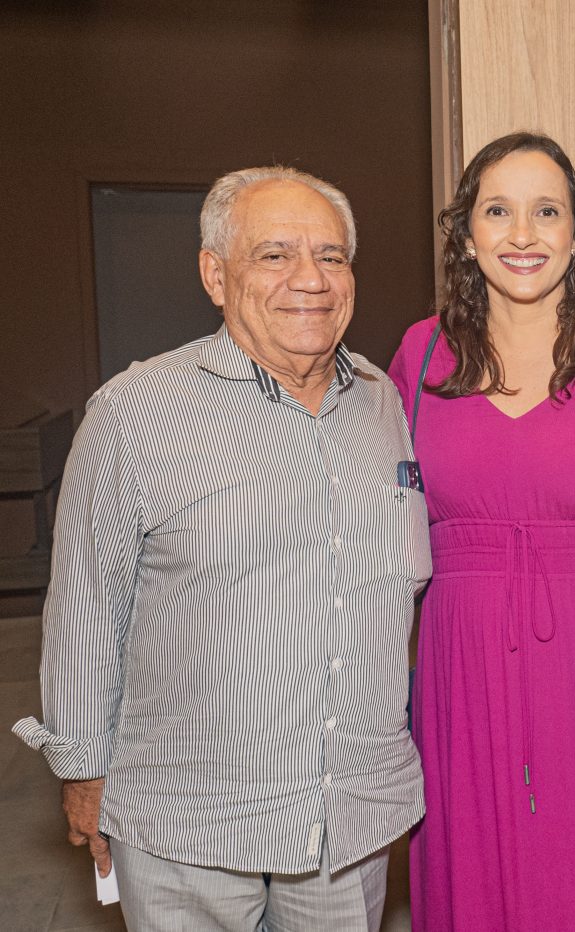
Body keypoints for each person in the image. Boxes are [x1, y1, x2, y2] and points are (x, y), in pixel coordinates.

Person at [11, 167, 430, 931]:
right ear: (215, 273)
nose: (311, 279)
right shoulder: (135, 412)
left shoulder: (384, 403)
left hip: (350, 818)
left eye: (332, 257)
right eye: (274, 255)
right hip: (190, 821)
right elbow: (83, 607)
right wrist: (83, 770)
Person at [387, 132, 575, 930]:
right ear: (467, 235)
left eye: (547, 212)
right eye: (498, 211)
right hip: (460, 660)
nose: (523, 235)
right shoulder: (419, 354)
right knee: (474, 868)